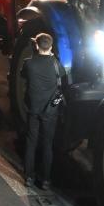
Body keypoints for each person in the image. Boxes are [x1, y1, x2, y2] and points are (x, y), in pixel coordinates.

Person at [21, 33, 63, 190]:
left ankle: (29, 178)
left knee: (31, 143)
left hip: (33, 110)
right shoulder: (56, 64)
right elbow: (62, 80)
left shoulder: (28, 64)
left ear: (36, 46)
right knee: (47, 145)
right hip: (50, 112)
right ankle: (45, 180)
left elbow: (23, 75)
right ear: (51, 47)